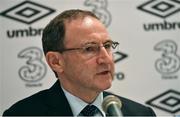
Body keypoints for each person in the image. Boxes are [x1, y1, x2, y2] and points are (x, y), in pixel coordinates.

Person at [3, 9, 156, 116]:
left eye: (108, 46)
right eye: (89, 48)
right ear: (56, 61)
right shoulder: (22, 114)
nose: (106, 59)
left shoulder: (140, 114)